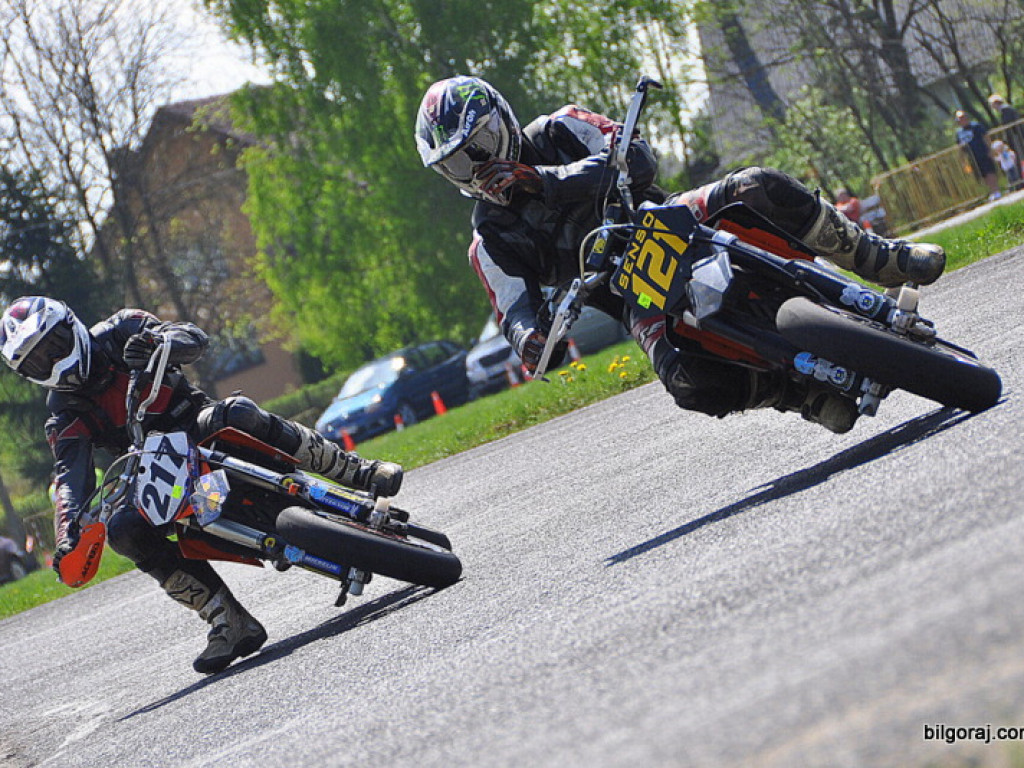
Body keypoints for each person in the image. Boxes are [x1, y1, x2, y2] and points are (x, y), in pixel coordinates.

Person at [414, 76, 946, 434]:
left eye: (478, 146)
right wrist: (532, 342)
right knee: (690, 385)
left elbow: (635, 158)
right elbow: (516, 313)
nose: (476, 168)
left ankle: (877, 256)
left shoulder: (562, 128)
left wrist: (543, 181)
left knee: (756, 186)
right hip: (630, 295)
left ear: (500, 120)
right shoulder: (488, 241)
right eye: (457, 165)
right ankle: (795, 393)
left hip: (667, 220)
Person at [0, 297, 403, 673]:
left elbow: (192, 336)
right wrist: (68, 533)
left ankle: (359, 471)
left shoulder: (122, 328)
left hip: (199, 424)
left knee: (238, 412)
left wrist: (159, 344)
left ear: (70, 326)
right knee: (123, 530)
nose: (53, 362)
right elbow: (70, 477)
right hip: (149, 470)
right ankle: (226, 618)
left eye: (53, 345)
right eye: (37, 364)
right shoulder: (63, 413)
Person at [955, 109, 1001, 201]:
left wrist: (990, 149)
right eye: (960, 119)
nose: (962, 120)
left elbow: (986, 137)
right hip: (972, 157)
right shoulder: (959, 132)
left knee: (990, 172)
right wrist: (963, 161)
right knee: (982, 174)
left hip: (983, 152)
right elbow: (960, 147)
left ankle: (996, 190)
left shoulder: (976, 126)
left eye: (963, 117)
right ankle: (992, 191)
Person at [987, 94, 1024, 161]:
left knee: (1021, 155)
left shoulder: (1006, 111)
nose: (992, 106)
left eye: (992, 104)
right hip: (1017, 136)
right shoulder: (1006, 110)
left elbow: (1009, 125)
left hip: (1017, 137)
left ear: (996, 103)